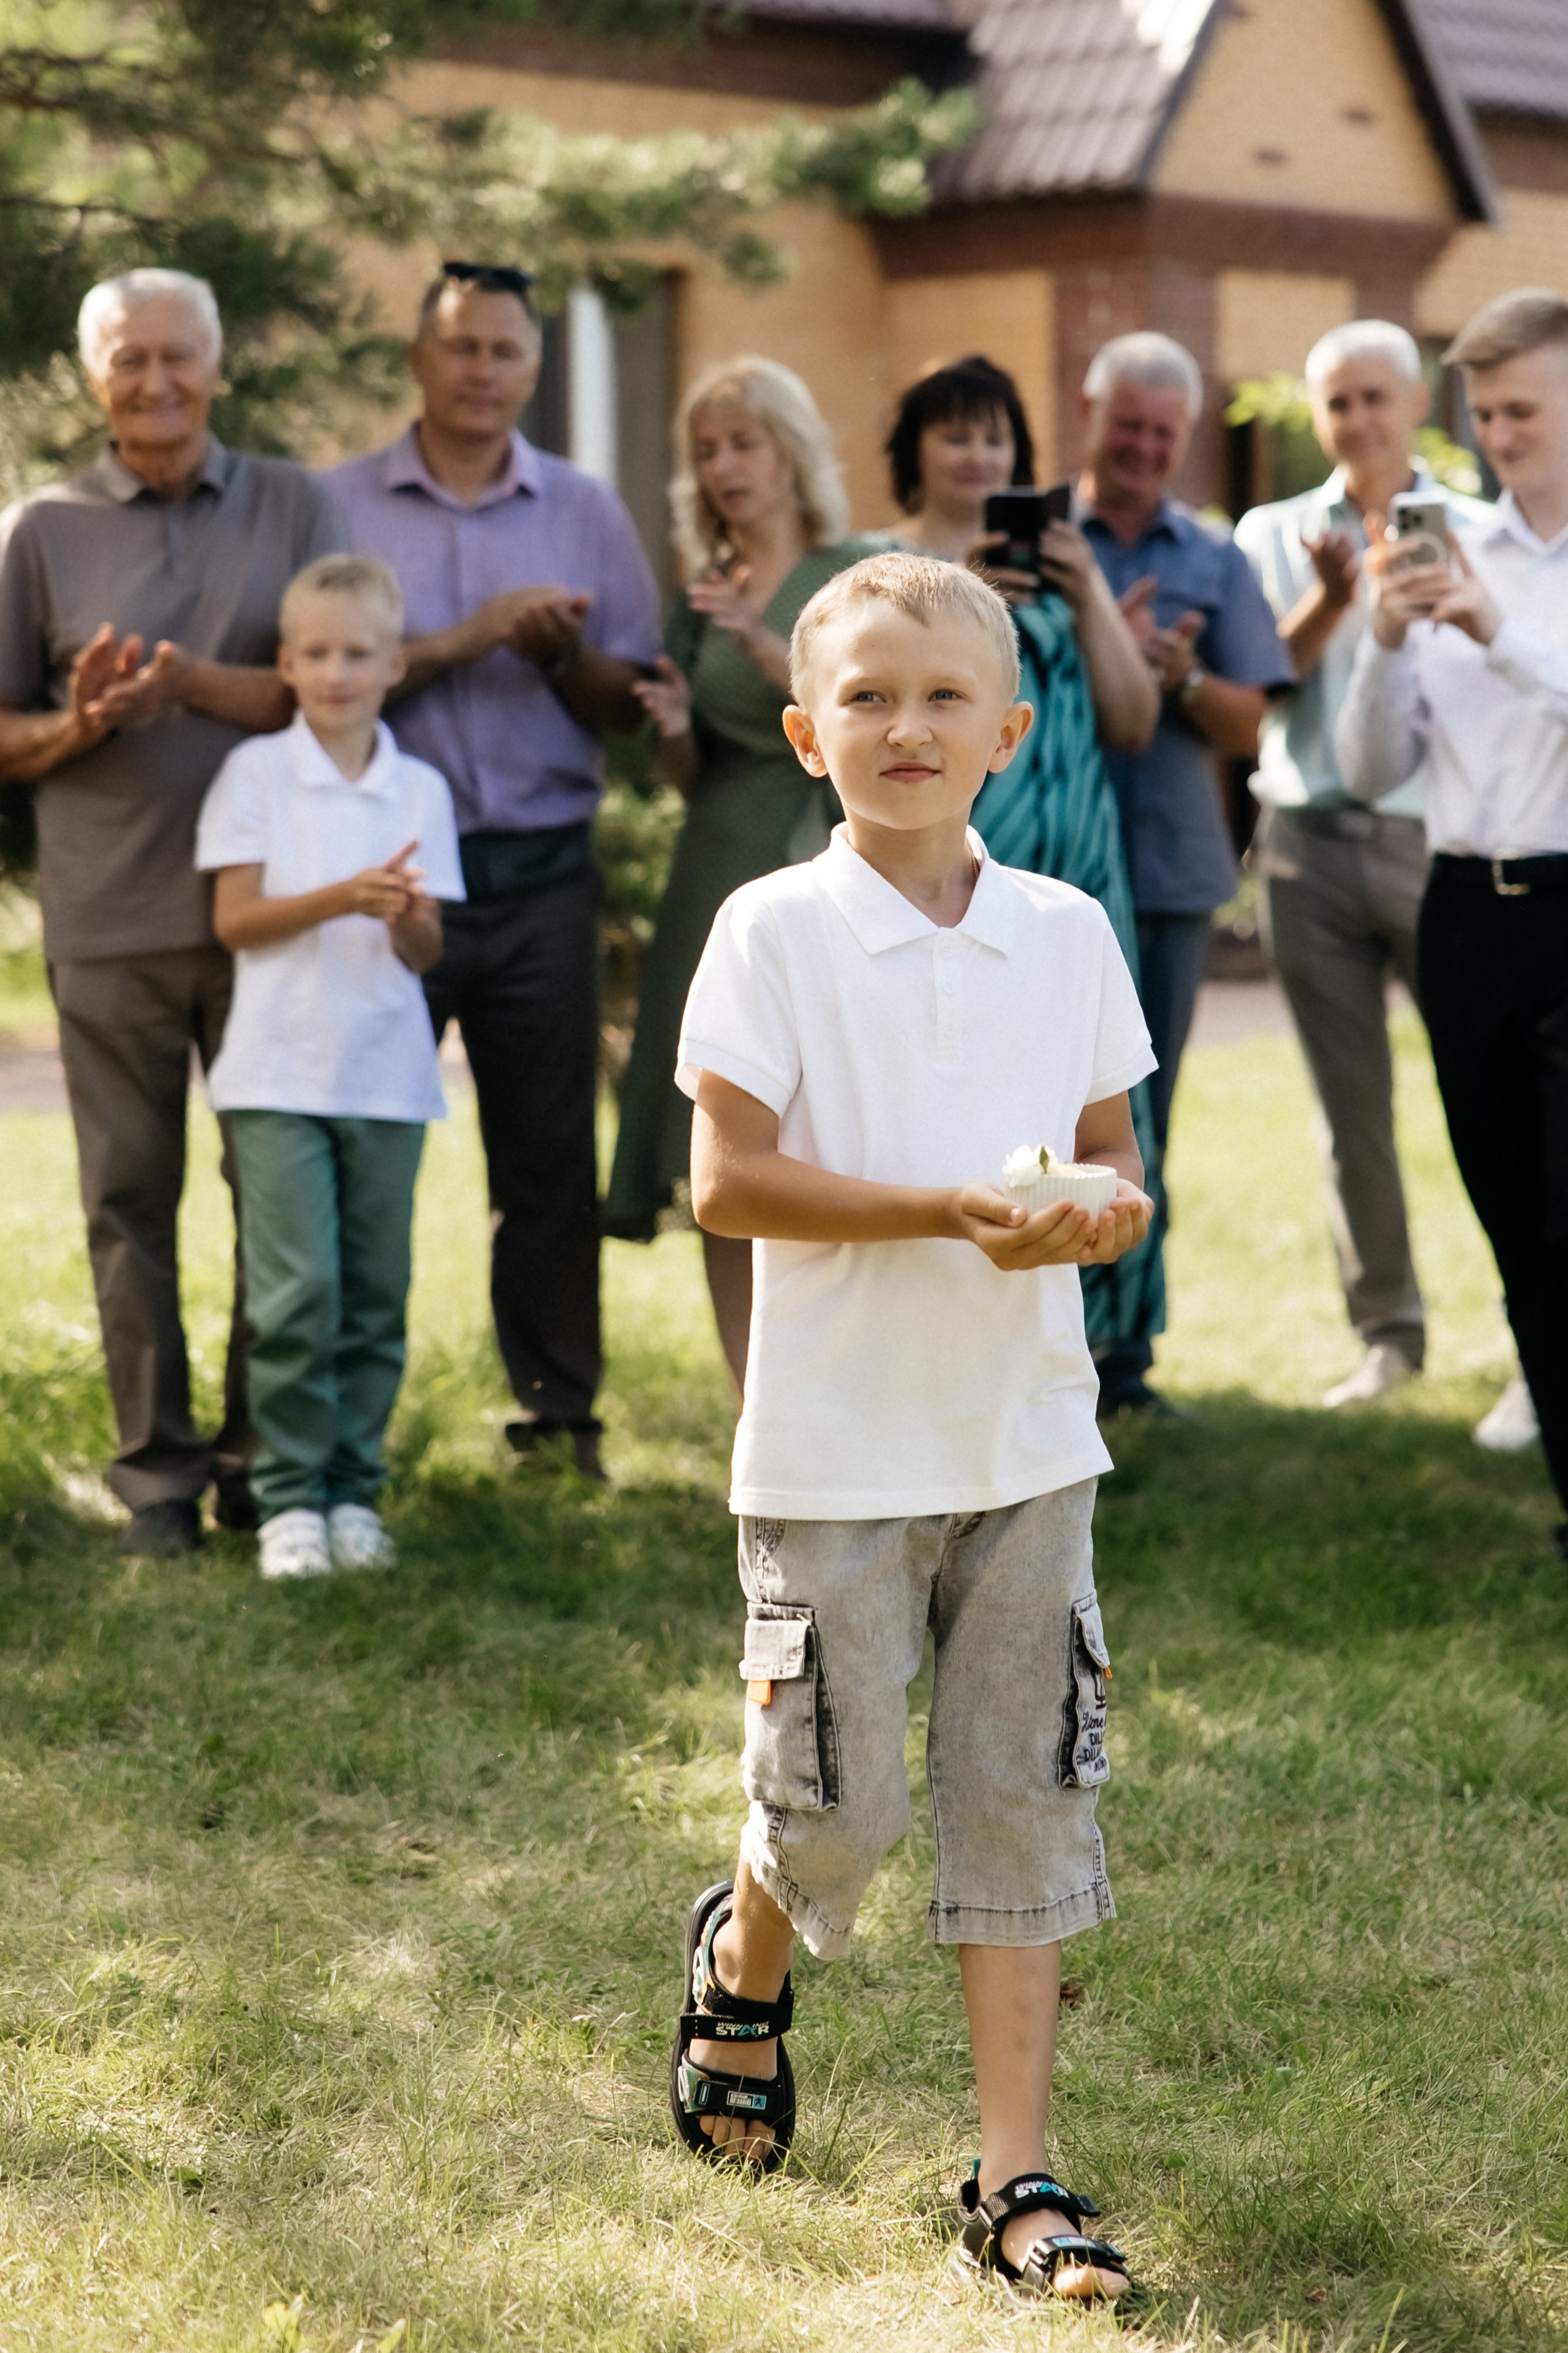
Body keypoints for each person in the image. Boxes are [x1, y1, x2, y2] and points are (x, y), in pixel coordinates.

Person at [666, 553, 1153, 2304]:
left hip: (1028, 1442)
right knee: (841, 1809)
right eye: (865, 695)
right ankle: (749, 1947)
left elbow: (1121, 1173)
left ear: (1011, 733)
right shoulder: (771, 931)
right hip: (834, 1450)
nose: (905, 725)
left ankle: (1015, 2176)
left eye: (945, 695)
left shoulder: (1069, 934)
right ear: (806, 732)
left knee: (1022, 1802)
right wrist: (952, 1208)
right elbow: (725, 1180)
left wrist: (1091, 1217)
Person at [0, 268, 347, 1557]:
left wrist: (187, 682)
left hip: (269, 912)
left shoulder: (297, 502)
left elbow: (337, 688)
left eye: (175, 357)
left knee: (276, 1202)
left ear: (216, 366)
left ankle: (266, 1464)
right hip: (109, 918)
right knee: (127, 1202)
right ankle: (156, 1479)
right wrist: (80, 722)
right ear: (95, 378)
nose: (154, 381)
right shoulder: (37, 528)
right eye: (127, 359)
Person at [326, 263, 660, 1482]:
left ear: (533, 367)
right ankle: (336, 1426)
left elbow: (629, 705)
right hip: (381, 879)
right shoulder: (339, 506)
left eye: (505, 352)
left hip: (539, 875)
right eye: (460, 346)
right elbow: (314, 686)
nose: (481, 371)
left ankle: (556, 1420)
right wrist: (467, 639)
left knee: (547, 1165)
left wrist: (566, 657)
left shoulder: (584, 510)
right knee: (354, 1148)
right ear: (419, 356)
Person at [878, 354, 1167, 1387]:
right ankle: (966, 1327)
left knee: (1098, 1095)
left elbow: (1133, 722)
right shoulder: (885, 576)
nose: (978, 453)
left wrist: (1084, 590)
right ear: (914, 450)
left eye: (997, 438)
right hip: (949, 865)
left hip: (1076, 858)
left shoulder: (1060, 568)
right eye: (956, 434)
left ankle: (1109, 1350)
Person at [1337, 287, 1568, 1562]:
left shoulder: (1500, 586)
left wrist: (1499, 632)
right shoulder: (1445, 543)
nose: (1496, 433)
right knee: (1510, 1219)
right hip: (1458, 918)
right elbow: (1370, 769)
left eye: (1520, 408)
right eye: (1481, 412)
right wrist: (1380, 637)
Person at [1237, 322, 1496, 1413]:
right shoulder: (1270, 533)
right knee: (1350, 1116)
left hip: (1442, 846)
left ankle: (1535, 1331)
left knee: (1493, 1099)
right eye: (1337, 403)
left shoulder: (1481, 528)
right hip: (1305, 848)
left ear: (1416, 403)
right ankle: (1388, 1333)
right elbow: (1257, 681)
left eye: (1375, 399)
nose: (1357, 422)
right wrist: (1332, 599)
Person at [603, 356, 867, 1393]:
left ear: (790, 451)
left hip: (830, 862)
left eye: (742, 443)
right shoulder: (701, 596)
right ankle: (757, 1402)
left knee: (834, 1128)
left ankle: (846, 1388)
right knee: (725, 1135)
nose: (722, 467)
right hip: (720, 861)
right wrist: (673, 728)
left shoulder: (855, 571)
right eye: (706, 451)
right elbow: (688, 773)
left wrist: (769, 654)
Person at [197, 556, 464, 1579]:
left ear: (396, 663)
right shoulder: (256, 773)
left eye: (357, 652)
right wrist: (342, 896)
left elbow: (428, 951)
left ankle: (356, 1491)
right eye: (315, 653)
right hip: (274, 1076)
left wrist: (406, 917)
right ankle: (289, 1500)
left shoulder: (421, 789)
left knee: (375, 1292)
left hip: (387, 1077)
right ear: (286, 663)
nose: (336, 671)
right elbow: (235, 922)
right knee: (296, 1293)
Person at [1075, 333, 1294, 1413]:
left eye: (1166, 432)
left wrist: (1180, 673)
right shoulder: (1036, 541)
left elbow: (1250, 717)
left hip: (1164, 867)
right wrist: (1094, 650)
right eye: (1130, 424)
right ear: (1091, 413)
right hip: (1042, 860)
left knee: (1142, 1116)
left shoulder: (1216, 556)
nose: (1146, 447)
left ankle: (1124, 1359)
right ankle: (1037, 1332)